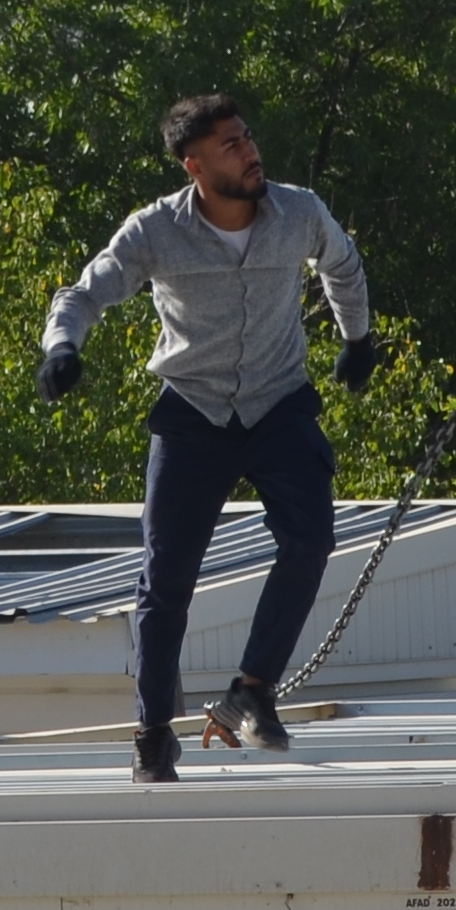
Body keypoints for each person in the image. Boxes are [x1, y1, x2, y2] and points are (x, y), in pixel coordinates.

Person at [39, 91, 380, 783]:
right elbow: (83, 293)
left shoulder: (298, 212)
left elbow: (341, 264)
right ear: (194, 165)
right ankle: (152, 735)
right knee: (166, 582)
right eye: (231, 146)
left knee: (311, 539)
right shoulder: (155, 230)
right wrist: (62, 347)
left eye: (248, 137)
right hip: (194, 411)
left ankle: (252, 689)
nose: (251, 153)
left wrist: (357, 337)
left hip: (278, 403)